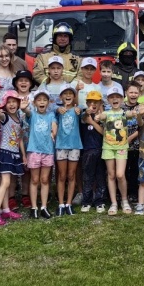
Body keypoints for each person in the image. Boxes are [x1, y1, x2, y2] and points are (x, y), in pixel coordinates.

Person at [0, 91, 27, 222]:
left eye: (14, 102)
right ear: (5, 105)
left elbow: (20, 139)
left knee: (6, 182)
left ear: (18, 103)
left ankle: (6, 210)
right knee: (5, 182)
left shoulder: (20, 120)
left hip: (14, 154)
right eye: (8, 102)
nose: (11, 104)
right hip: (5, 153)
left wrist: (23, 155)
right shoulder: (5, 117)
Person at [96, 84, 132, 215]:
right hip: (108, 147)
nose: (115, 99)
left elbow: (130, 114)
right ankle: (114, 203)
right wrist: (97, 117)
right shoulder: (106, 113)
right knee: (111, 175)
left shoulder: (124, 112)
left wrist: (135, 112)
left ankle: (124, 200)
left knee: (120, 175)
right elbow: (101, 117)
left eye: (118, 97)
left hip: (122, 147)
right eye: (112, 97)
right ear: (108, 100)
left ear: (122, 99)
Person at [23, 89, 57, 219]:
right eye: (39, 100)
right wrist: (24, 108)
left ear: (48, 102)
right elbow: (27, 112)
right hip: (34, 150)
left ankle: (43, 206)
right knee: (34, 179)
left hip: (47, 151)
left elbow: (54, 125)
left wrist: (54, 132)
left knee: (44, 179)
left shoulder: (51, 115)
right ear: (34, 102)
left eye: (44, 100)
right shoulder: (32, 115)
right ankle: (33, 207)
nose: (42, 102)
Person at [55, 85, 82, 216]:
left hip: (74, 145)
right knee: (61, 175)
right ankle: (61, 203)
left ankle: (69, 203)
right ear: (61, 97)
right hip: (61, 145)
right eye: (65, 93)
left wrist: (80, 109)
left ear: (74, 96)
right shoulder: (58, 110)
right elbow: (51, 108)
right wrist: (57, 108)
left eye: (70, 93)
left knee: (71, 175)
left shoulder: (78, 110)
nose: (68, 95)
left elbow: (84, 110)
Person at [80, 90, 107, 213]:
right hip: (88, 151)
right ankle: (86, 201)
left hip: (102, 150)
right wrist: (88, 116)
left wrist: (94, 122)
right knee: (87, 177)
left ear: (100, 103)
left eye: (96, 102)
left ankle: (99, 201)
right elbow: (85, 117)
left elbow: (104, 133)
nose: (93, 104)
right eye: (90, 102)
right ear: (86, 103)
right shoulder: (85, 115)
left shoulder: (104, 116)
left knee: (100, 177)